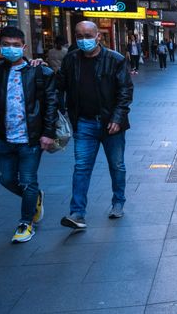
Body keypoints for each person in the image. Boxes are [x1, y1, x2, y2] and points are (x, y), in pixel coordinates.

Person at [0, 26, 57, 243]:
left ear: (24, 47)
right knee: (7, 180)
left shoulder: (40, 71)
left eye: (16, 45)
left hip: (30, 139)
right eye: (6, 45)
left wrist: (48, 133)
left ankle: (26, 223)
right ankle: (35, 198)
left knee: (28, 181)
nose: (11, 49)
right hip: (5, 138)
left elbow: (51, 105)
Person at [57, 21, 133, 229]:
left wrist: (117, 118)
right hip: (83, 123)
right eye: (79, 35)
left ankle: (118, 202)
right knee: (81, 167)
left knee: (116, 165)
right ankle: (77, 213)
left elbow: (125, 92)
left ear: (98, 36)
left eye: (88, 35)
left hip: (111, 124)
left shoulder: (115, 60)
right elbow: (58, 85)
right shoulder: (71, 60)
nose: (83, 40)